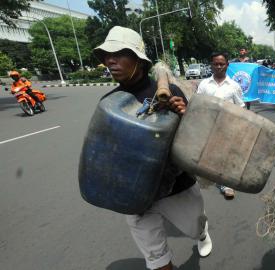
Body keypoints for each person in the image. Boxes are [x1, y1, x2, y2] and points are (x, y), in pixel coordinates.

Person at [93, 26, 212, 270]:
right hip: (135, 195)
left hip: (176, 187)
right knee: (156, 257)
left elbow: (194, 140)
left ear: (139, 60)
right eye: (106, 55)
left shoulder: (170, 93)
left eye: (119, 53)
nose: (110, 60)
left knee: (194, 227)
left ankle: (202, 233)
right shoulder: (109, 103)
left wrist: (183, 115)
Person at [196, 52, 245, 199]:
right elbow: (199, 104)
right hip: (209, 126)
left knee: (227, 155)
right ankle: (213, 179)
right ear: (211, 65)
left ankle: (227, 184)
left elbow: (241, 107)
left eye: (221, 64)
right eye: (216, 64)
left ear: (227, 65)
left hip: (228, 127)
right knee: (210, 154)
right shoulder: (204, 85)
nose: (218, 67)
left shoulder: (234, 86)